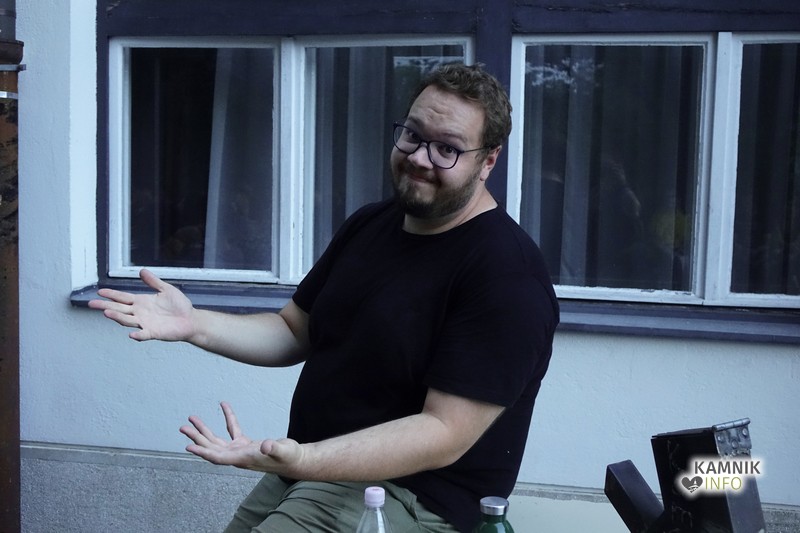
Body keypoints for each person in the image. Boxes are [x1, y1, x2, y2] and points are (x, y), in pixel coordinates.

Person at [90, 63, 559, 533]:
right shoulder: (371, 224)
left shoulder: (506, 275)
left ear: (488, 161)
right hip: (311, 467)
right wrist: (194, 324)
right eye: (413, 135)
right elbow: (295, 330)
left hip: (412, 496)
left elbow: (443, 433)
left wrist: (306, 459)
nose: (420, 157)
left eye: (447, 149)